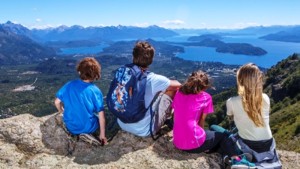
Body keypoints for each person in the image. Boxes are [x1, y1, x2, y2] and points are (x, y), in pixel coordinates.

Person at [222, 63, 281, 168]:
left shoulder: (231, 101)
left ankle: (238, 159)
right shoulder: (265, 98)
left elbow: (229, 115)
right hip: (268, 143)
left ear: (240, 81)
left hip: (248, 143)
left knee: (217, 130)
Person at [117, 41, 181, 137]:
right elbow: (178, 85)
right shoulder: (153, 79)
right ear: (151, 60)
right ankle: (171, 120)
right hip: (144, 130)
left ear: (133, 57)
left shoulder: (123, 72)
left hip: (122, 123)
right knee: (171, 90)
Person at [54, 57, 107, 145]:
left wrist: (61, 111)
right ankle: (92, 135)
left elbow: (57, 102)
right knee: (98, 118)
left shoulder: (69, 85)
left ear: (79, 71)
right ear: (95, 74)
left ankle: (76, 134)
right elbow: (101, 116)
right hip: (89, 127)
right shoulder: (95, 91)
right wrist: (103, 135)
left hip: (71, 126)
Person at [172, 70, 227, 154]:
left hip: (177, 141)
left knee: (211, 132)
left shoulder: (178, 93)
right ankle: (233, 159)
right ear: (204, 87)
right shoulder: (206, 98)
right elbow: (202, 120)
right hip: (193, 144)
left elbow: (175, 115)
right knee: (222, 136)